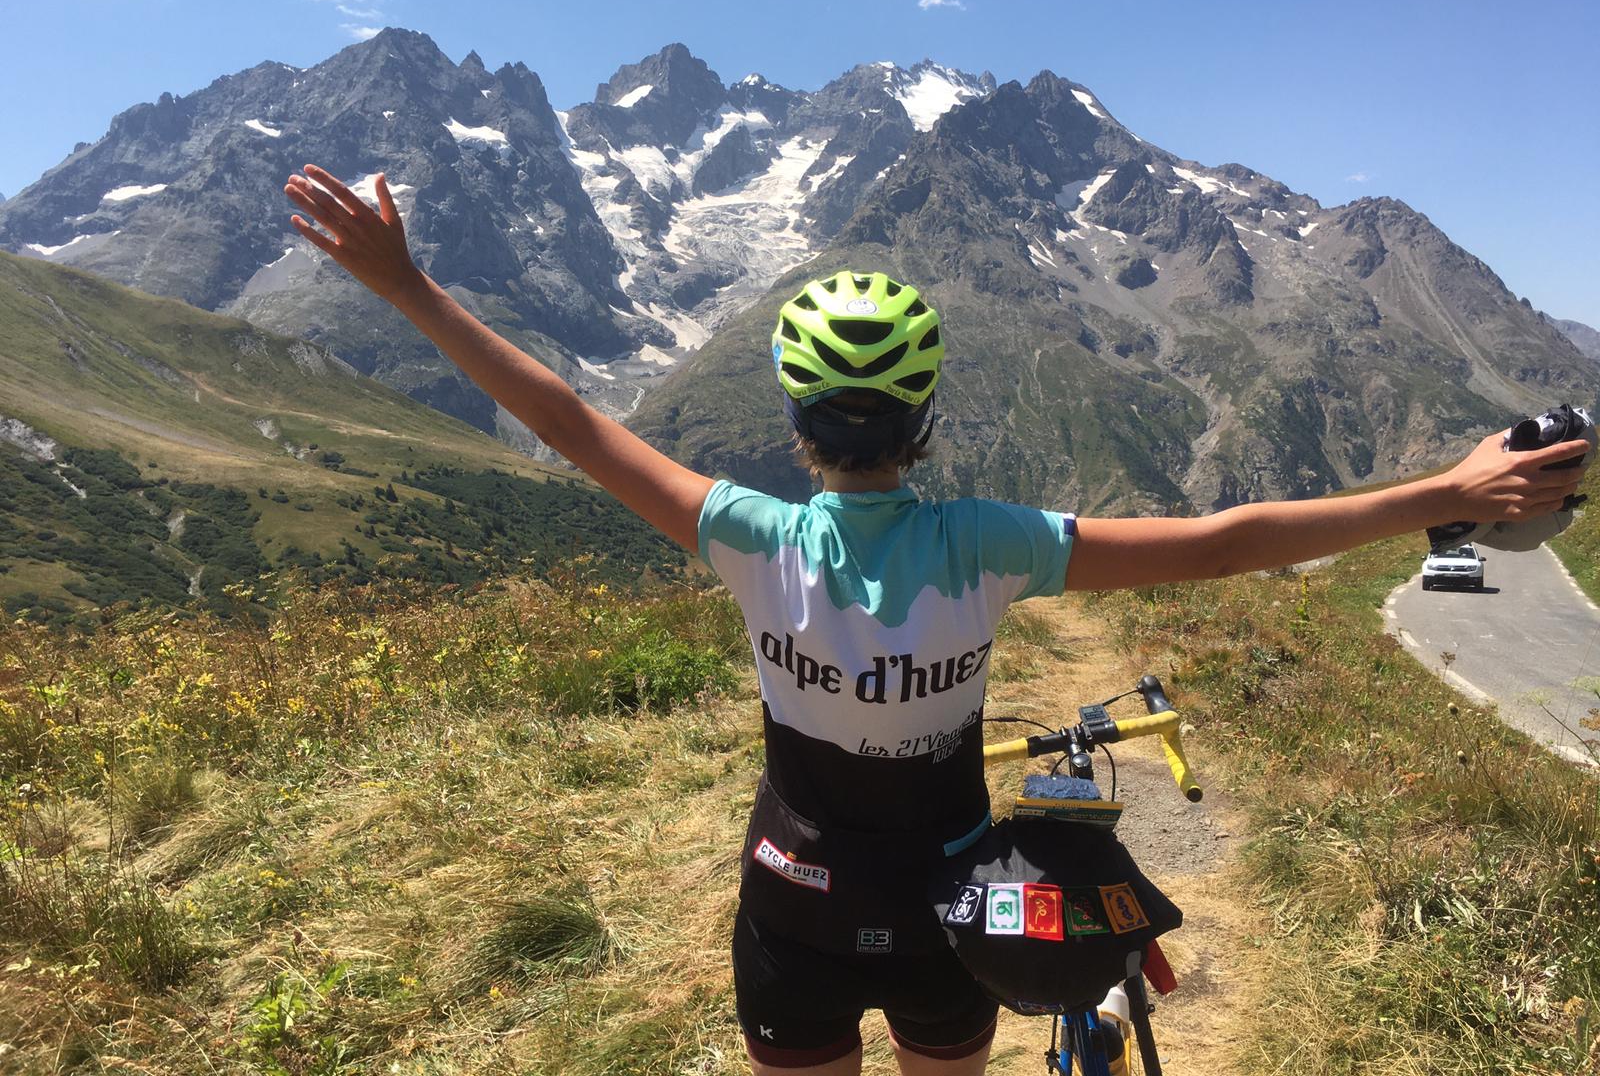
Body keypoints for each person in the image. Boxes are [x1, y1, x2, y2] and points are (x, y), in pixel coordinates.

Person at [283, 165, 1590, 1076]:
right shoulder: (990, 549)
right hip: (956, 910)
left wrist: (407, 286)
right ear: (922, 423)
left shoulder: (748, 535)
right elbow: (1225, 541)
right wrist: (1451, 490)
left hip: (787, 903)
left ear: (796, 425)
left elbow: (568, 420)